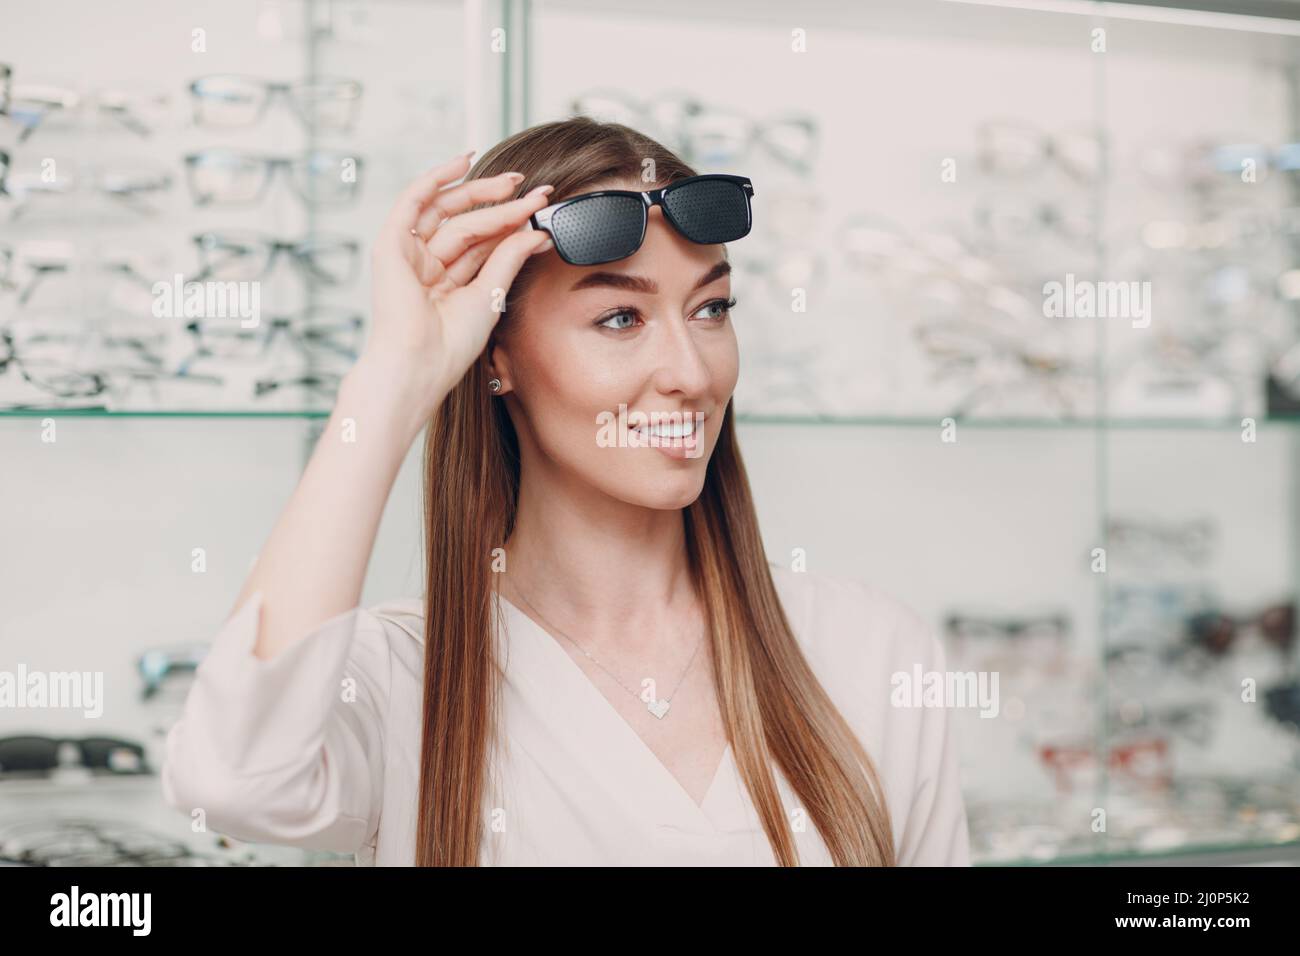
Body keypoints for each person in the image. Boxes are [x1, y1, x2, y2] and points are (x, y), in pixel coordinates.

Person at [161, 116, 972, 866]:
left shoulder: (868, 651)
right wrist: (393, 380)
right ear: (494, 356)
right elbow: (235, 779)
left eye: (712, 308)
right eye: (620, 318)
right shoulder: (403, 680)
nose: (691, 374)